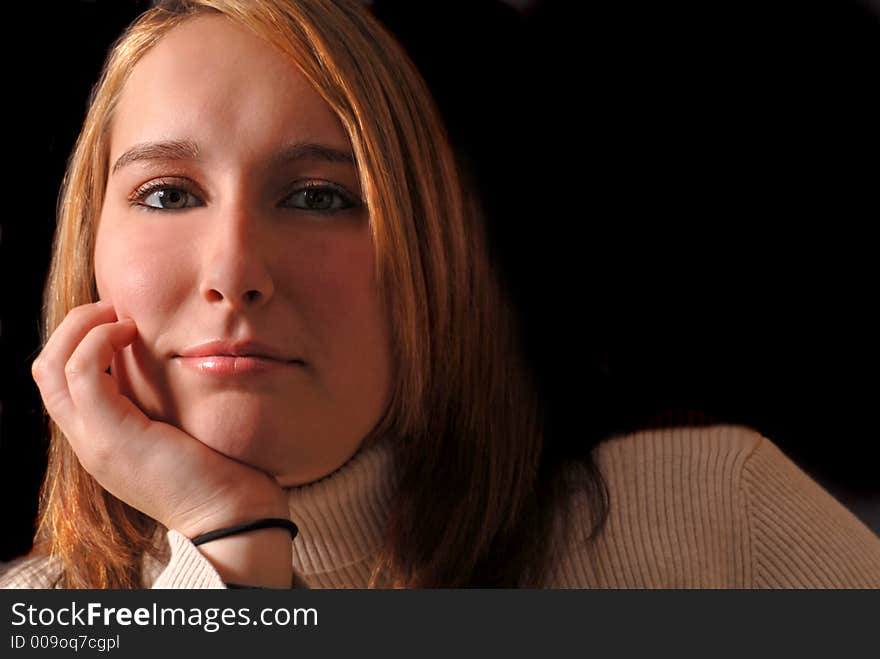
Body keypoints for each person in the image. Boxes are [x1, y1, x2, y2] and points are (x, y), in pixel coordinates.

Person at [2, 0, 879, 589]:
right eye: (168, 194)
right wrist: (226, 536)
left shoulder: (716, 517)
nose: (234, 271)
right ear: (90, 252)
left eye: (320, 197)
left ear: (427, 257)